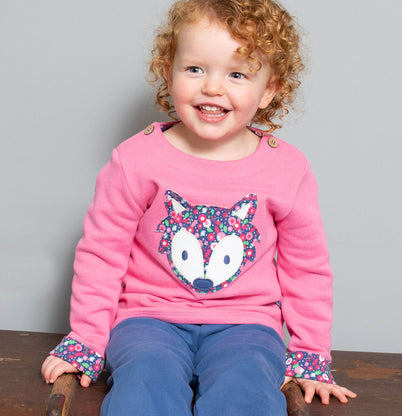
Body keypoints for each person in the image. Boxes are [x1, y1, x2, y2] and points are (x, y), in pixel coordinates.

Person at [41, 0, 357, 414]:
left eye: (237, 74)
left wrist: (310, 354)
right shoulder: (136, 159)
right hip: (147, 320)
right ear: (168, 71)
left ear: (270, 89)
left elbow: (306, 268)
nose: (212, 88)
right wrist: (86, 338)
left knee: (247, 389)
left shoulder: (287, 169)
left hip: (247, 325)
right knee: (144, 383)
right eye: (194, 69)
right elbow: (102, 254)